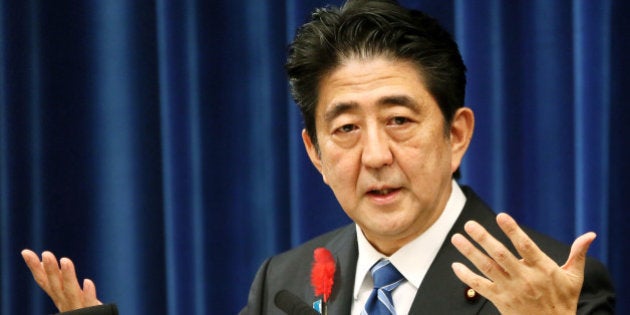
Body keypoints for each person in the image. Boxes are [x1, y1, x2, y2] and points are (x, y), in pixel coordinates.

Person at [23, 0, 615, 314]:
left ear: (457, 134)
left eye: (400, 121)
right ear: (314, 151)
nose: (376, 155)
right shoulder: (282, 283)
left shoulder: (555, 282)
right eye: (346, 128)